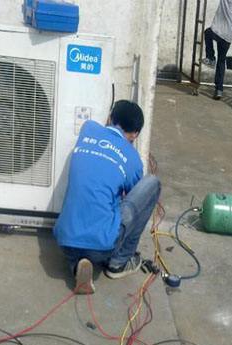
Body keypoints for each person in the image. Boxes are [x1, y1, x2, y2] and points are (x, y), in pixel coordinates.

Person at [53, 100, 161, 294]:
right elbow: (132, 198)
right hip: (102, 247)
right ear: (135, 134)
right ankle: (119, 262)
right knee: (152, 183)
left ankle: (77, 265)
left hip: (64, 238)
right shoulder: (134, 160)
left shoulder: (88, 129)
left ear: (110, 118)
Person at [202, 0, 232, 100]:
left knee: (207, 33)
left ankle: (211, 58)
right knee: (221, 61)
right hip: (228, 36)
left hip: (218, 31)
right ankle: (219, 90)